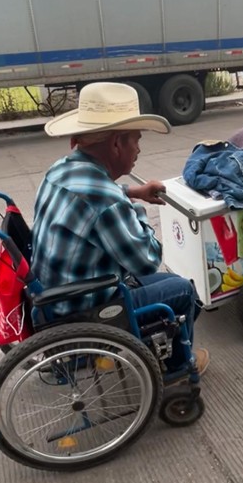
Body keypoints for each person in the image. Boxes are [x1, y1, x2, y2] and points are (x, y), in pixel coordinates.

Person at [35, 81, 208, 377]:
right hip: (86, 313)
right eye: (136, 139)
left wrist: (133, 191)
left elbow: (97, 197)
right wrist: (134, 207)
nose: (139, 148)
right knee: (182, 290)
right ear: (116, 143)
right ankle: (178, 369)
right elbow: (147, 257)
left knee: (166, 283)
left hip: (55, 301)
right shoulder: (108, 201)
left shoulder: (62, 168)